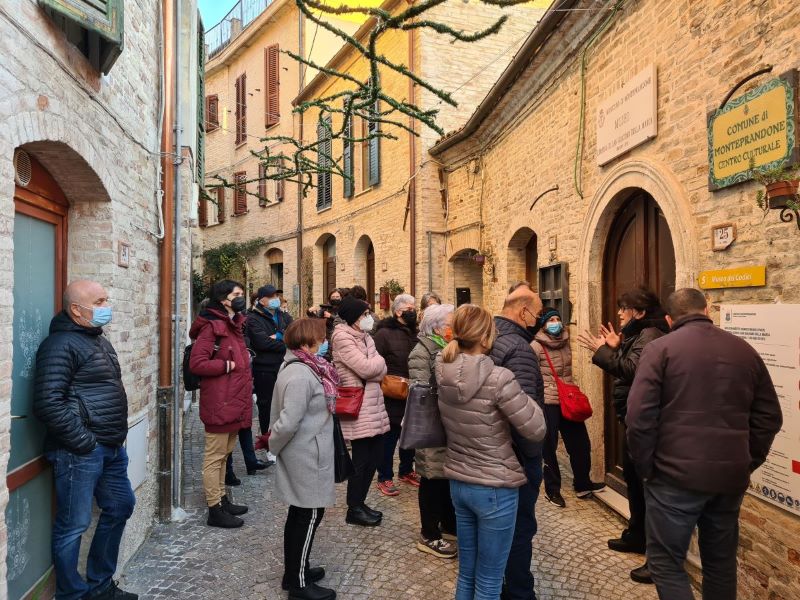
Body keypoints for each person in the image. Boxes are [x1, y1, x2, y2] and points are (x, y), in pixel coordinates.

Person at [626, 289, 781, 600]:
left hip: (672, 477)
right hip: (728, 479)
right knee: (720, 564)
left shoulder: (660, 350)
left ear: (670, 320)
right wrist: (746, 459)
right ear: (706, 309)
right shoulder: (744, 350)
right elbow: (769, 417)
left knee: (665, 563)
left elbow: (638, 417)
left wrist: (647, 468)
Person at [34, 280, 138, 600]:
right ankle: (71, 594)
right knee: (73, 525)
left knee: (121, 506)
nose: (108, 305)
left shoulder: (97, 339)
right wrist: (84, 441)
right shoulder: (60, 344)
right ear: (77, 310)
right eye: (100, 300)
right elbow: (47, 401)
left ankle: (100, 584)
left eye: (107, 298)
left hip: (110, 448)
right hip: (80, 452)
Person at [436, 304, 547, 600]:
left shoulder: (442, 370)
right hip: (495, 485)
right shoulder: (499, 378)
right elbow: (536, 428)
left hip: (459, 480)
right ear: (486, 337)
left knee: (467, 573)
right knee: (489, 579)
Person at [577, 287, 669, 584]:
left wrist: (603, 352)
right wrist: (616, 347)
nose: (619, 313)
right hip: (634, 420)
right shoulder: (640, 335)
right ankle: (637, 534)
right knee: (634, 483)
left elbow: (633, 370)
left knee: (646, 488)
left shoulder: (652, 334)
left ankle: (654, 554)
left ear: (639, 312)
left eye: (624, 308)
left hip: (644, 424)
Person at [270, 318, 340, 600]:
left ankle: (296, 571)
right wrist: (273, 446)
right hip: (307, 454)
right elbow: (288, 422)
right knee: (308, 515)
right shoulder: (300, 374)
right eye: (321, 339)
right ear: (308, 342)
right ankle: (298, 585)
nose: (325, 343)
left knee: (302, 514)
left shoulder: (304, 367)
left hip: (308, 451)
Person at [488, 286, 545, 600]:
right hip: (515, 459)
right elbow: (526, 416)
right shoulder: (519, 348)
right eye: (537, 313)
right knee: (520, 528)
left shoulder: (488, 339)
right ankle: (520, 591)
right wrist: (533, 459)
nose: (538, 319)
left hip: (488, 453)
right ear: (524, 312)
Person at [189, 280, 253, 528]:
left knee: (226, 454)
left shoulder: (233, 324)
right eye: (237, 294)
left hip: (234, 399)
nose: (241, 298)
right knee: (214, 457)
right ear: (223, 299)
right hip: (220, 400)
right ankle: (214, 508)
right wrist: (227, 366)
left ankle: (223, 499)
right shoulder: (211, 328)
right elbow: (198, 363)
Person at [531, 308, 604, 508]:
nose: (555, 322)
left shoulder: (566, 343)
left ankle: (582, 483)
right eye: (550, 320)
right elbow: (532, 376)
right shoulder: (536, 346)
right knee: (549, 448)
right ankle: (552, 490)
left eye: (558, 319)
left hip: (568, 399)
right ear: (543, 324)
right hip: (548, 402)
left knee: (580, 444)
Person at [331, 295, 389, 526]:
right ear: (355, 317)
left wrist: (376, 366)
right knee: (362, 460)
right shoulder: (342, 337)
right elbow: (367, 368)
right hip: (359, 405)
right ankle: (353, 508)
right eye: (365, 315)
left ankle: (361, 502)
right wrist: (377, 366)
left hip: (373, 403)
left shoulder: (365, 337)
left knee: (375, 457)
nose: (369, 318)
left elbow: (379, 366)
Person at [407, 303, 457, 559]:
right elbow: (420, 392)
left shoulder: (444, 347)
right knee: (430, 478)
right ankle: (429, 534)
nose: (453, 329)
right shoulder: (422, 351)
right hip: (430, 425)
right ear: (436, 327)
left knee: (444, 477)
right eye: (450, 324)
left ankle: (448, 525)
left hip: (445, 424)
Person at [374, 294, 420, 496]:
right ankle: (384, 477)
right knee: (389, 436)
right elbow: (376, 363)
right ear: (399, 311)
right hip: (392, 393)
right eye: (410, 308)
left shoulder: (415, 332)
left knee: (410, 435)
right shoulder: (384, 334)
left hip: (413, 392)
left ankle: (406, 470)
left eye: (415, 308)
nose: (414, 311)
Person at [247, 284, 293, 450]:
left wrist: (279, 336)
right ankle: (268, 443)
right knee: (266, 405)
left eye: (277, 296)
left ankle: (281, 438)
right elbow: (262, 343)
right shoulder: (252, 318)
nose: (276, 299)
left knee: (284, 404)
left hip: (284, 364)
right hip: (264, 368)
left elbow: (292, 333)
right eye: (272, 296)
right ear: (262, 300)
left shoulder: (283, 315)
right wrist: (284, 342)